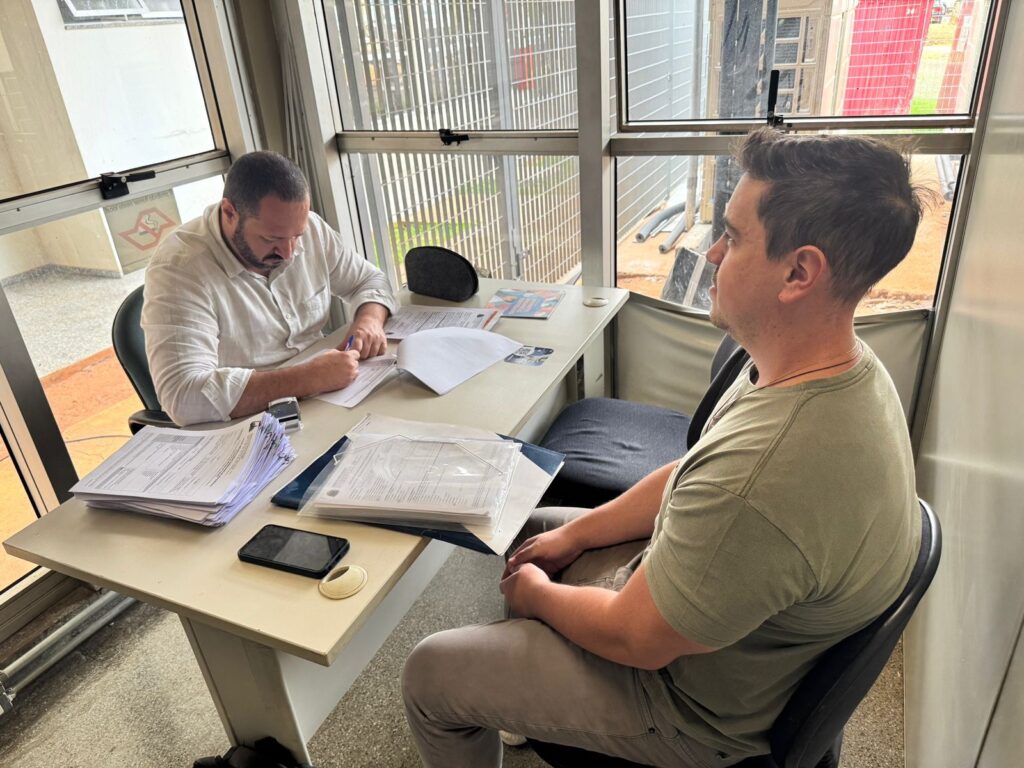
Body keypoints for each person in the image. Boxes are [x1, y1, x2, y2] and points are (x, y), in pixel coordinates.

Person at [401, 128, 925, 768]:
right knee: (529, 528)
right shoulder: (824, 366)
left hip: (682, 705)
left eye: (731, 237)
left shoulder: (765, 476)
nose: (708, 256)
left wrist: (537, 595)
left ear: (799, 272)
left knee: (430, 674)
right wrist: (575, 537)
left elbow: (635, 637)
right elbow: (690, 473)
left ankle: (496, 690)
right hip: (697, 599)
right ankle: (515, 690)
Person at [142, 151, 397, 426]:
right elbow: (183, 396)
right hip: (251, 422)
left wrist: (369, 321)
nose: (288, 253)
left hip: (330, 398)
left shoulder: (306, 227)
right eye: (271, 239)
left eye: (296, 237)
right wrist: (307, 378)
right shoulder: (180, 269)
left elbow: (370, 281)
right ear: (230, 213)